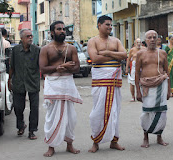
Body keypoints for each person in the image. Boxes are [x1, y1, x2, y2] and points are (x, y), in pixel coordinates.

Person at [40, 21, 82, 157]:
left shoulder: (71, 49)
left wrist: (67, 67)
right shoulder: (46, 49)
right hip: (53, 84)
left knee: (70, 118)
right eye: (59, 29)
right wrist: (57, 68)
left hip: (67, 84)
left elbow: (77, 68)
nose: (62, 31)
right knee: (52, 117)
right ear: (52, 32)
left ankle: (69, 144)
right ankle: (51, 146)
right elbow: (43, 68)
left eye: (64, 29)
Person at [87, 15, 127, 153]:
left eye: (111, 25)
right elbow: (95, 59)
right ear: (99, 25)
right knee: (98, 112)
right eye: (107, 24)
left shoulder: (115, 41)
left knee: (114, 112)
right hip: (100, 81)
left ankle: (114, 141)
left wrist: (108, 52)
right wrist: (115, 55)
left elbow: (124, 55)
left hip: (114, 81)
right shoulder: (93, 41)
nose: (110, 27)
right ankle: (96, 141)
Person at [135, 30, 170, 148]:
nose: (152, 39)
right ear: (145, 40)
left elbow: (167, 71)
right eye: (149, 37)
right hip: (146, 86)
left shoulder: (163, 53)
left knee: (161, 112)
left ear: (158, 39)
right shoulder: (140, 54)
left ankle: (159, 137)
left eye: (154, 37)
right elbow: (136, 73)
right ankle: (145, 137)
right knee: (147, 112)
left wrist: (169, 90)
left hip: (161, 85)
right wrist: (137, 91)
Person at [8, 29, 40, 140]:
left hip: (33, 83)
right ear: (22, 38)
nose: (30, 38)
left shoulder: (36, 50)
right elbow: (12, 67)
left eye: (31, 36)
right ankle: (21, 125)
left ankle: (32, 131)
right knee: (18, 107)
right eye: (28, 36)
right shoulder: (15, 50)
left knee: (34, 108)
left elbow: (41, 66)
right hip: (18, 82)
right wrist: (9, 80)